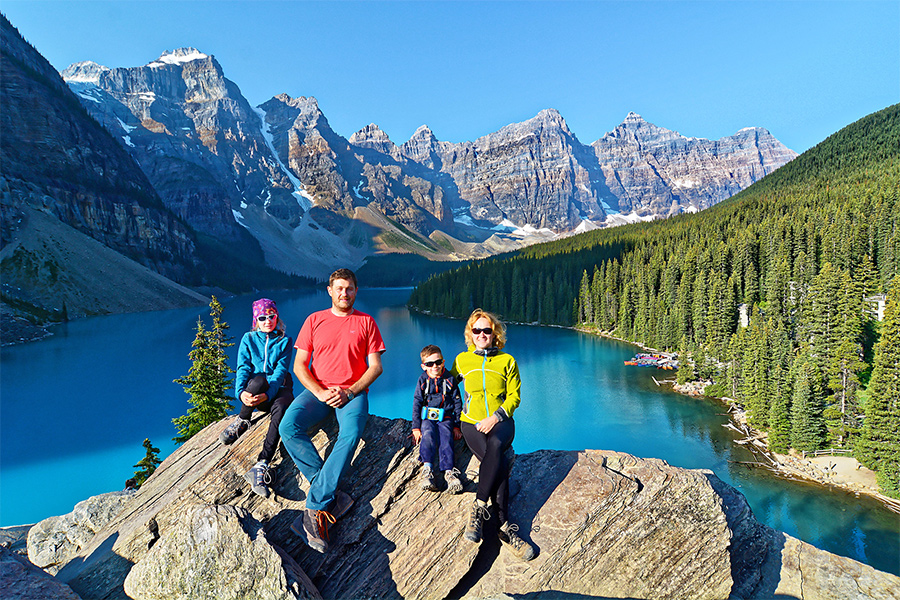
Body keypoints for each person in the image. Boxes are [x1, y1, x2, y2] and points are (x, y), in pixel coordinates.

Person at [279, 268, 385, 553]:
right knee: (288, 427)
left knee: (349, 436)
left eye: (349, 288)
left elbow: (375, 366)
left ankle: (314, 510)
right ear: (330, 290)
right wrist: (320, 391)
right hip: (319, 391)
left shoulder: (367, 322)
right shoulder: (315, 320)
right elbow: (300, 365)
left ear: (355, 291)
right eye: (339, 288)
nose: (344, 293)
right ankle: (326, 490)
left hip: (352, 394)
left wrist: (350, 391)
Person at [451, 309, 536, 561]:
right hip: (471, 423)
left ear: (494, 333)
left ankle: (478, 508)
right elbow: (442, 384)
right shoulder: (462, 361)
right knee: (497, 464)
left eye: (486, 330)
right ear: (470, 334)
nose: (481, 335)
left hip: (501, 421)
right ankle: (503, 528)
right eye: (476, 330)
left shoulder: (507, 361)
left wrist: (495, 418)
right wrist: (435, 418)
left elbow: (514, 397)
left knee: (497, 445)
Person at [220, 298, 294, 498]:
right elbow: (243, 367)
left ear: (277, 317)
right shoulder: (248, 339)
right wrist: (241, 393)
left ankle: (261, 464)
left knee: (283, 404)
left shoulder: (285, 341)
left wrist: (267, 395)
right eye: (262, 318)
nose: (267, 321)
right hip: (254, 391)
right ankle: (243, 420)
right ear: (256, 321)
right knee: (259, 379)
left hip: (276, 391)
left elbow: (280, 373)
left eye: (271, 316)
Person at [412, 344, 463, 493]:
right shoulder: (422, 380)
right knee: (427, 434)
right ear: (423, 366)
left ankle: (449, 472)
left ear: (443, 362)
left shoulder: (450, 380)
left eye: (438, 362)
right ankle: (427, 469)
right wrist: (416, 427)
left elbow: (457, 403)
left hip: (445, 416)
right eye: (430, 364)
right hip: (427, 416)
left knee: (446, 437)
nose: (435, 366)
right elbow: (417, 402)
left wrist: (456, 425)